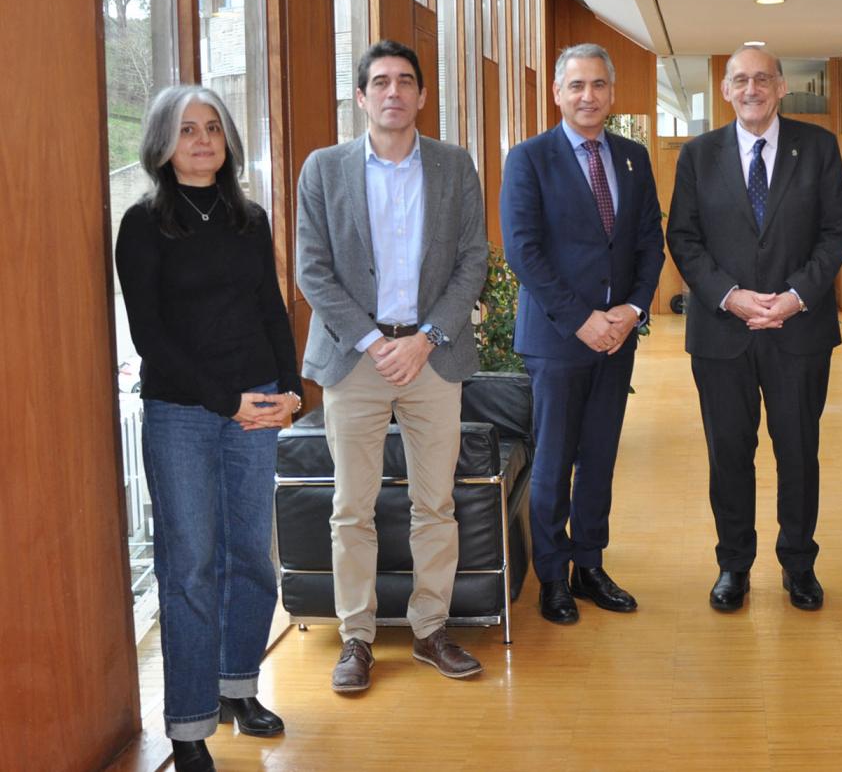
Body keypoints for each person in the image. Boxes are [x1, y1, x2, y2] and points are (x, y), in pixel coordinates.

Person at [115, 84, 301, 772]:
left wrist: (291, 390)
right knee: (190, 567)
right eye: (187, 129)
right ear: (163, 143)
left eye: (213, 128)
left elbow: (272, 309)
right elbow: (150, 336)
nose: (202, 140)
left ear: (228, 142)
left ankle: (238, 688)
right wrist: (228, 401)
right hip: (183, 414)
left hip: (257, 403)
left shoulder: (249, 219)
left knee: (250, 554)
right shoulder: (142, 224)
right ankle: (189, 726)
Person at [296, 40, 489, 692]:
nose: (393, 92)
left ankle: (431, 630)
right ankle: (356, 636)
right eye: (379, 82)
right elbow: (312, 270)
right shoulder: (324, 169)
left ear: (422, 96)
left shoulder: (454, 165)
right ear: (361, 96)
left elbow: (472, 259)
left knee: (436, 502)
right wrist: (373, 341)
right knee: (352, 506)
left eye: (405, 81)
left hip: (433, 356)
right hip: (355, 360)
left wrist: (426, 337)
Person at [667, 46, 842, 612]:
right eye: (741, 80)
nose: (752, 89)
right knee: (728, 453)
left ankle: (799, 564)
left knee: (798, 452)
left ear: (780, 87)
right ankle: (733, 565)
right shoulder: (698, 155)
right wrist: (731, 296)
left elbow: (835, 232)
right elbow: (683, 238)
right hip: (722, 334)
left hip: (799, 332)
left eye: (763, 79)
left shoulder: (817, 147)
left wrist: (795, 297)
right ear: (726, 89)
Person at [500, 43, 665, 624]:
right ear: (557, 93)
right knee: (553, 461)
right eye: (576, 85)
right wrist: (582, 319)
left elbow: (649, 241)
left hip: (617, 336)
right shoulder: (529, 159)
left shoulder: (632, 158)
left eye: (598, 85)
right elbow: (523, 251)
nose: (588, 96)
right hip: (557, 339)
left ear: (612, 93)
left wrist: (633, 309)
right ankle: (552, 576)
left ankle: (589, 566)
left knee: (599, 456)